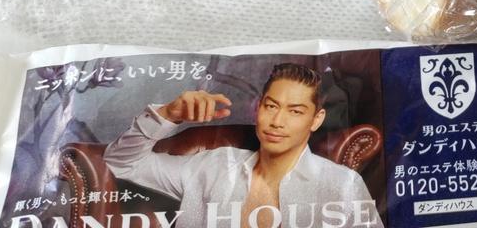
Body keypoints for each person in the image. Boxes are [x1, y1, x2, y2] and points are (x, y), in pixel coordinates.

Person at [105, 63, 382, 228]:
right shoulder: (212, 167)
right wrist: (167, 114)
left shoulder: (341, 184)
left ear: (316, 119)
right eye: (271, 106)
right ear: (258, 108)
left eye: (295, 111)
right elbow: (122, 163)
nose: (277, 122)